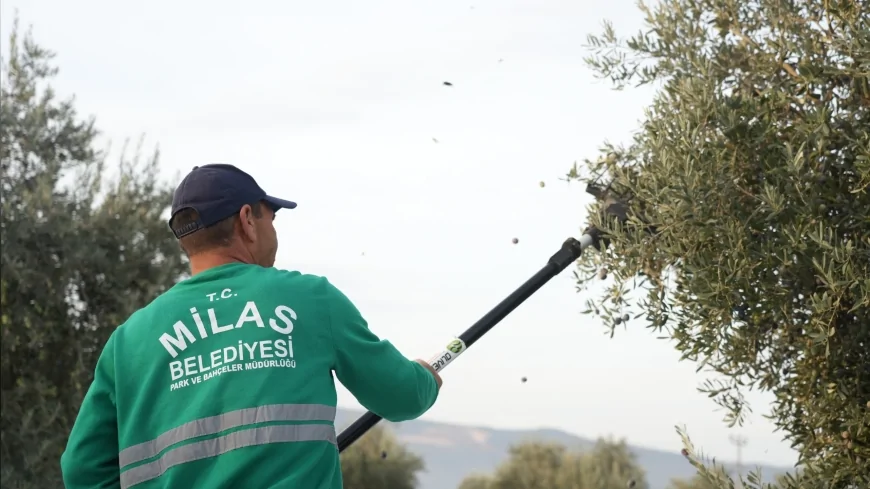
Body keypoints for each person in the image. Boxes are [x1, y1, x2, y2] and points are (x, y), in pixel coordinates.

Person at [60, 163, 442, 489]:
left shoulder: (129, 341)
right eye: (270, 217)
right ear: (248, 220)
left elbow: (82, 470)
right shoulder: (310, 299)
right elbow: (401, 395)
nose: (273, 231)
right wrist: (427, 378)